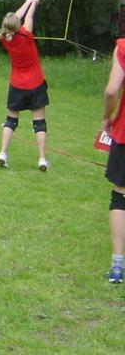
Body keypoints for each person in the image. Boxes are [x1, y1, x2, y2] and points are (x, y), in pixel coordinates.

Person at [0, 0, 49, 171]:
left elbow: (12, 21)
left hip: (17, 85)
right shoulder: (26, 34)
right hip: (36, 84)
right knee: (39, 123)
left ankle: (2, 153)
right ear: (18, 25)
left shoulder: (4, 38)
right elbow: (28, 17)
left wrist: (26, 2)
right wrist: (33, 3)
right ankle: (42, 159)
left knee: (10, 121)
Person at [101, 38, 125, 283]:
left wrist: (106, 117)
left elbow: (111, 91)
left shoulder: (123, 47)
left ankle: (117, 266)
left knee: (120, 196)